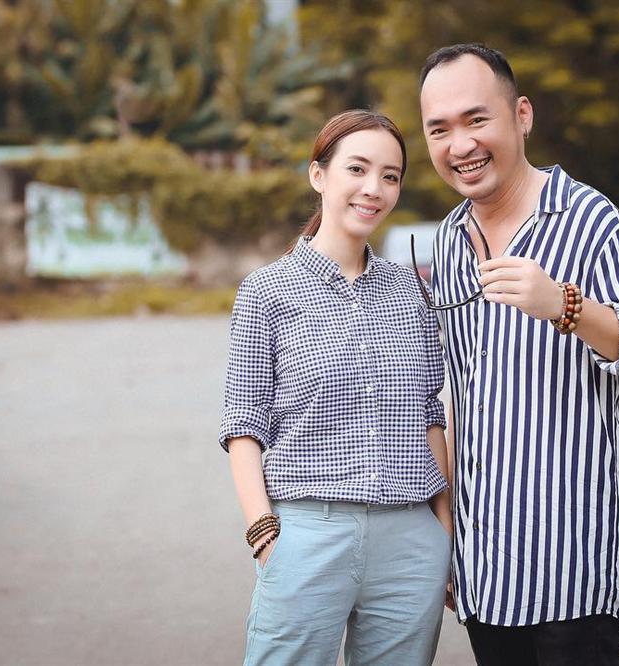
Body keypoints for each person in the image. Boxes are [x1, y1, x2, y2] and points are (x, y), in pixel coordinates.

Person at [418, 44, 619, 665]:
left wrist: (566, 305)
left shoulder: (591, 220)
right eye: (440, 129)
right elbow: (458, 395)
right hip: (486, 567)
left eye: (477, 119)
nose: (461, 145)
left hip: (575, 563)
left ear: (522, 116)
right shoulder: (450, 241)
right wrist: (450, 539)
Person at [218, 109, 453, 666]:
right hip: (306, 534)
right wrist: (264, 534)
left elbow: (429, 414)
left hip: (410, 542)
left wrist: (443, 534)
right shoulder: (267, 292)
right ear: (319, 174)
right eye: (358, 169)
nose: (374, 189)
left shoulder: (412, 292)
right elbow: (243, 424)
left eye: (391, 176)